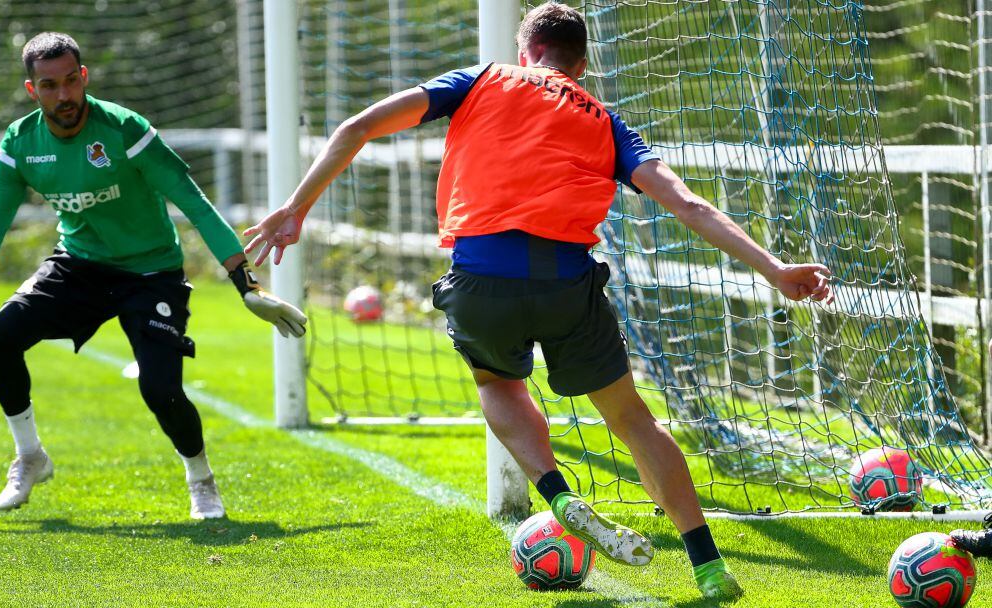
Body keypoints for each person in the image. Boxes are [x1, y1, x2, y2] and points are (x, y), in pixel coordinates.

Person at [243, 2, 833, 599]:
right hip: (566, 283)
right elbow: (687, 203)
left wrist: (296, 208)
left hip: (480, 277)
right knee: (632, 418)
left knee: (497, 384)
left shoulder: (481, 78)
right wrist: (774, 268)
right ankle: (707, 565)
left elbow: (357, 128)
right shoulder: (606, 121)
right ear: (581, 65)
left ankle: (557, 495)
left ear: (527, 52)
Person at [0, 32, 307, 520]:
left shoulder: (126, 130)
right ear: (31, 90)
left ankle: (201, 479)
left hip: (151, 272)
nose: (63, 96)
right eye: (49, 86)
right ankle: (30, 456)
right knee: (0, 335)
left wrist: (247, 286)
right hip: (79, 264)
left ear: (83, 77)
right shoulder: (19, 146)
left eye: (69, 82)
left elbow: (195, 204)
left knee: (160, 389)